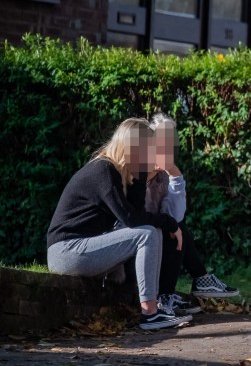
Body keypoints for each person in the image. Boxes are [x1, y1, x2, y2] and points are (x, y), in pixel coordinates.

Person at [46, 118, 193, 330]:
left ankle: (155, 305)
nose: (153, 154)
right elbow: (131, 219)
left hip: (84, 248)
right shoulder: (103, 170)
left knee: (152, 231)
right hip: (67, 252)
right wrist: (170, 223)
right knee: (148, 233)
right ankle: (150, 313)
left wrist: (141, 174)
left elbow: (137, 216)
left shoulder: (122, 173)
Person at [148, 114, 239, 317]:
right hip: (137, 235)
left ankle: (190, 284)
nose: (166, 146)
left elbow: (175, 214)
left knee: (177, 227)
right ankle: (186, 285)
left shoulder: (163, 174)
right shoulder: (139, 169)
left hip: (152, 233)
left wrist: (174, 172)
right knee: (174, 229)